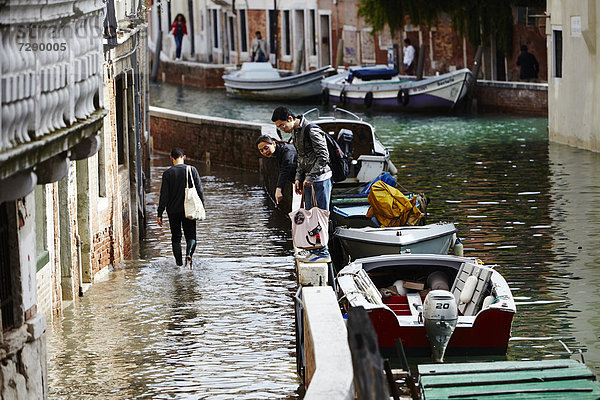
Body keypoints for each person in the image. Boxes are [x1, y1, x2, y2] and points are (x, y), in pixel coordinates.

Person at [271, 106, 332, 263]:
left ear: (290, 119)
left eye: (282, 125)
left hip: (321, 178)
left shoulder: (311, 130)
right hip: (309, 180)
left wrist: (310, 177)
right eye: (278, 127)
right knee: (311, 214)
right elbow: (301, 158)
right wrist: (298, 178)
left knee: (320, 215)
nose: (281, 129)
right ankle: (314, 248)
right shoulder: (295, 131)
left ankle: (323, 251)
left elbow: (324, 157)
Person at [157, 148, 205, 267]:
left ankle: (178, 264)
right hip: (189, 209)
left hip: (173, 211)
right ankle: (188, 255)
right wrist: (201, 206)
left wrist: (160, 213)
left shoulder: (167, 173)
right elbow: (199, 190)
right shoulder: (192, 170)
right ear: (184, 157)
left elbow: (164, 195)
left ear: (171, 158)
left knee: (176, 237)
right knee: (191, 235)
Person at [256, 135, 298, 204]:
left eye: (266, 148)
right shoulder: (279, 151)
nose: (264, 152)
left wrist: (279, 189)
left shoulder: (286, 150)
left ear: (274, 144)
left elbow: (285, 169)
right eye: (261, 150)